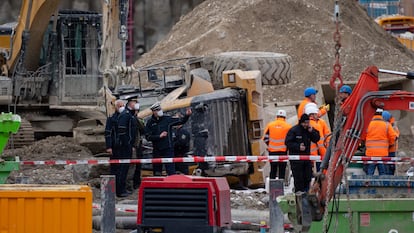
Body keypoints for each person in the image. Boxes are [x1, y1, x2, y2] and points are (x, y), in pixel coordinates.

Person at [145, 102, 192, 176]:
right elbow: (147, 137)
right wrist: (158, 136)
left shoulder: (167, 119)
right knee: (157, 171)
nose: (159, 111)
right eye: (157, 110)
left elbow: (180, 121)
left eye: (160, 109)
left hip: (168, 148)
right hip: (157, 149)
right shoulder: (150, 123)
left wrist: (187, 115)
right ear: (154, 112)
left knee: (170, 170)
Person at [285, 114, 320, 192]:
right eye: (305, 123)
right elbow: (288, 142)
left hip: (306, 159)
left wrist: (312, 131)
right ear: (301, 122)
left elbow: (316, 138)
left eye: (308, 123)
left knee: (308, 178)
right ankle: (299, 196)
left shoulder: (308, 130)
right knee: (298, 179)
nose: (306, 125)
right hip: (296, 161)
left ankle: (306, 195)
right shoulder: (294, 130)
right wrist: (298, 147)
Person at [116, 97, 140, 197]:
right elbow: (122, 131)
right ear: (130, 103)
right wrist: (127, 144)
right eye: (135, 102)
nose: (137, 104)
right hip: (124, 147)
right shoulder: (126, 115)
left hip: (128, 146)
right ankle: (120, 190)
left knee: (125, 168)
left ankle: (123, 189)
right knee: (123, 168)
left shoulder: (131, 115)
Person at [364, 108, 397, 175]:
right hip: (383, 154)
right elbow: (393, 137)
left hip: (370, 153)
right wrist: (389, 144)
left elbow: (363, 136)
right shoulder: (387, 124)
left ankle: (368, 185)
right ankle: (382, 185)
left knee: (369, 174)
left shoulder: (367, 124)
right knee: (383, 174)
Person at [262, 109, 292, 180]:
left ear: (277, 116)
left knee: (273, 169)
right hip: (283, 152)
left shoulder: (270, 125)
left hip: (272, 151)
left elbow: (265, 138)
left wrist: (270, 145)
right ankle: (281, 186)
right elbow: (290, 139)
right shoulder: (288, 127)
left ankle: (273, 185)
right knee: (282, 170)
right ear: (284, 117)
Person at [104, 99, 125, 194]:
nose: (121, 108)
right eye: (119, 106)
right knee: (115, 169)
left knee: (123, 169)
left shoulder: (126, 117)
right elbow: (108, 133)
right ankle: (115, 190)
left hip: (123, 146)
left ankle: (121, 189)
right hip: (115, 147)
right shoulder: (111, 119)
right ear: (116, 107)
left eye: (122, 106)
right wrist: (109, 147)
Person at [304, 103, 331, 172]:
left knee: (323, 168)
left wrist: (329, 147)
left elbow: (327, 135)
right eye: (316, 113)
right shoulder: (308, 123)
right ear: (312, 115)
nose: (318, 114)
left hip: (323, 150)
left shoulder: (321, 122)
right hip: (313, 152)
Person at [132, 102, 146, 189]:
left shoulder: (139, 119)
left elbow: (143, 129)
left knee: (138, 166)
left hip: (138, 145)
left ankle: (137, 182)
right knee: (132, 166)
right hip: (133, 145)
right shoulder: (129, 118)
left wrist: (136, 119)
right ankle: (133, 183)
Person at [382, 110, 399, 175]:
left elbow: (395, 137)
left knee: (390, 167)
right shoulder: (388, 125)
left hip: (391, 150)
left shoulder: (393, 127)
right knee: (386, 166)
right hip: (386, 150)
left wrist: (389, 145)